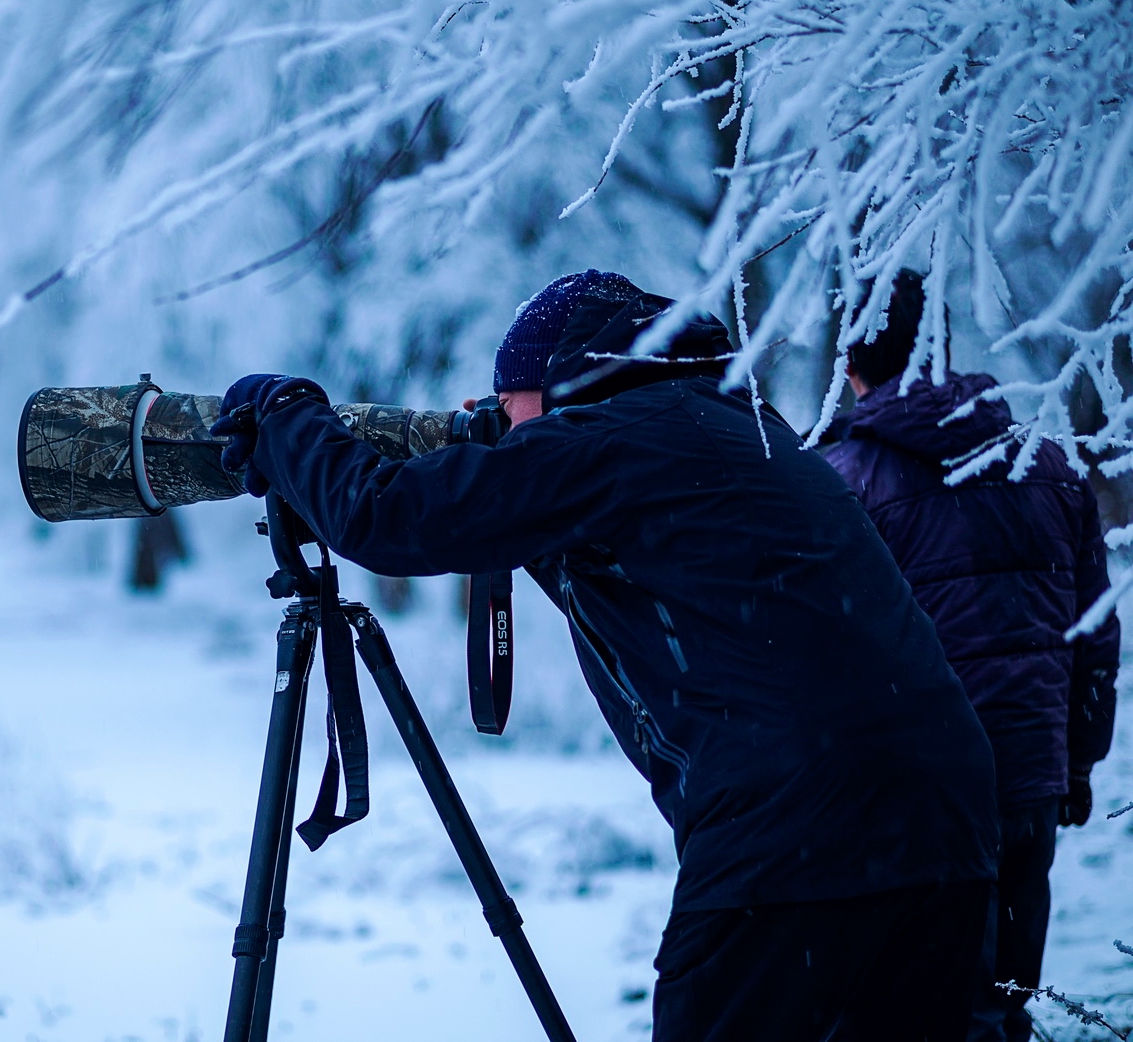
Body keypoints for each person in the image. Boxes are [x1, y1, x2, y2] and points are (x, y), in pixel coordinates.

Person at [213, 270, 999, 1042]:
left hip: (794, 832)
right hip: (947, 824)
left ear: (557, 385)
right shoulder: (737, 427)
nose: (502, 418)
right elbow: (560, 479)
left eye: (507, 398)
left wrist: (285, 414)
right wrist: (496, 444)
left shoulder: (612, 444)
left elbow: (385, 517)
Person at [824, 271, 1120, 1042]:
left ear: (848, 362)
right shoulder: (1047, 466)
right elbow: (1095, 633)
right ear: (941, 344)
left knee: (919, 1011)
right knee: (1002, 998)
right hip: (1029, 777)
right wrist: (1077, 761)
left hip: (915, 795)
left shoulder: (841, 486)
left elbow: (823, 656)